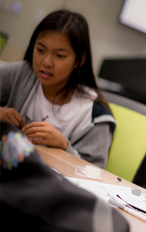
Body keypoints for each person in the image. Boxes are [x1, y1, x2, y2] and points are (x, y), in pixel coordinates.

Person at [0, 10, 115, 168]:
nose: (46, 62)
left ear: (79, 60)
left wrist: (64, 146)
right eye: (40, 50)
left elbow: (94, 173)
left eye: (59, 56)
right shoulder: (20, 74)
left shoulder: (94, 114)